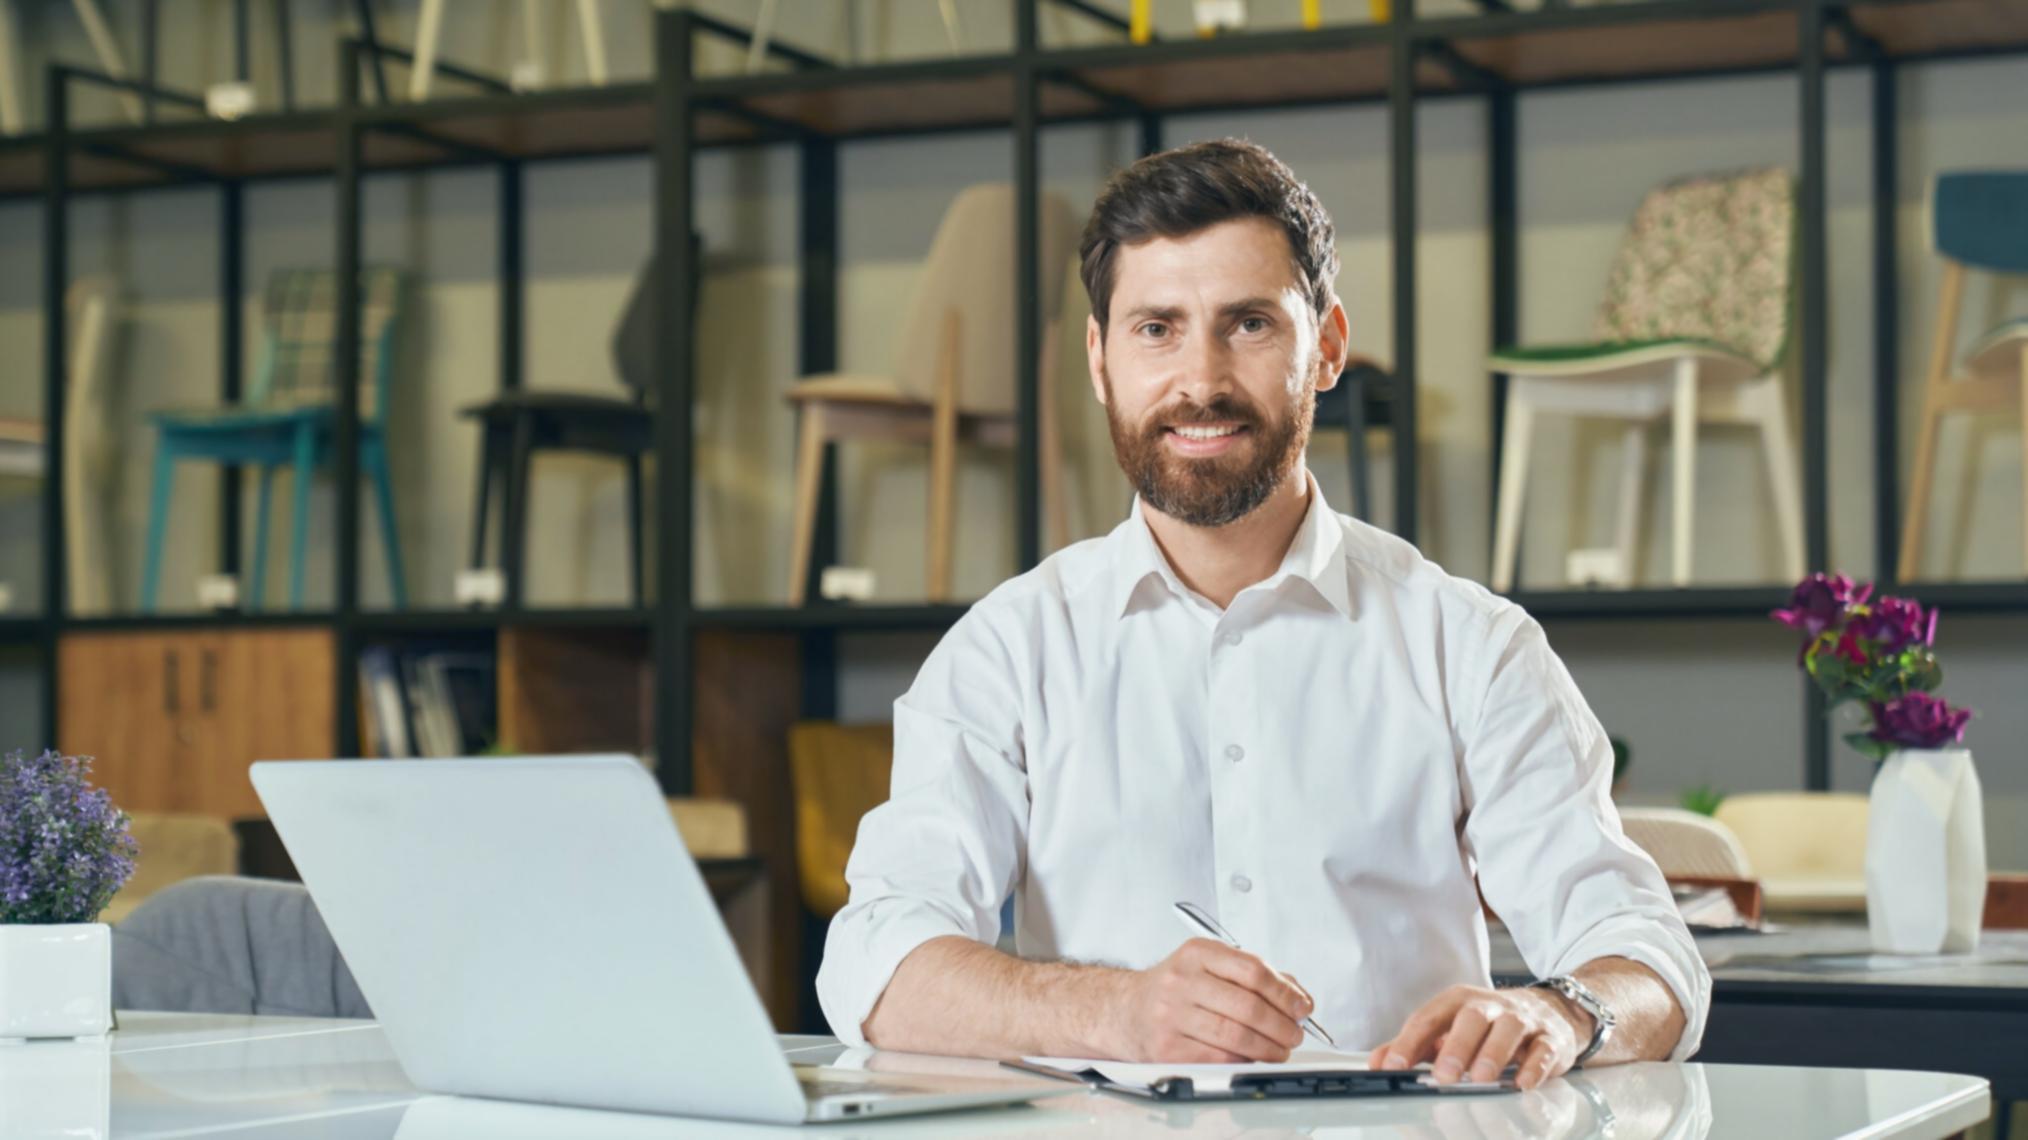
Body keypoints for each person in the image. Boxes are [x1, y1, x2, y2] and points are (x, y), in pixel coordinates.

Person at [815, 138, 1708, 1091]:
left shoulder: (1470, 645)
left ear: (1327, 347)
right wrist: (1117, 1013)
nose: (1200, 380)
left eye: (1248, 324)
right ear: (1100, 360)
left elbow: (1648, 956)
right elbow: (875, 959)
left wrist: (1559, 1011)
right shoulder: (1008, 649)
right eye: (1156, 328)